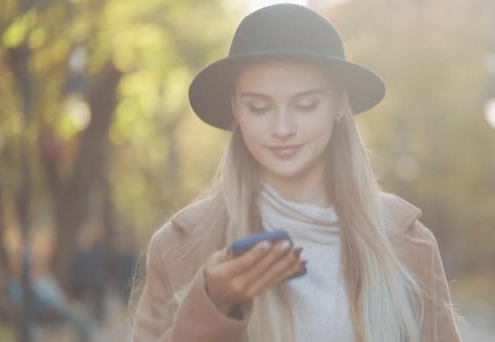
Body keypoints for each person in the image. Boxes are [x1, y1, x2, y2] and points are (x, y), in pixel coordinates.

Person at [131, 4, 461, 342]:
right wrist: (212, 308)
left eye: (305, 105)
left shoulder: (409, 242)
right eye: (259, 107)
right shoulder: (178, 249)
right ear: (235, 107)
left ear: (340, 103)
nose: (283, 128)